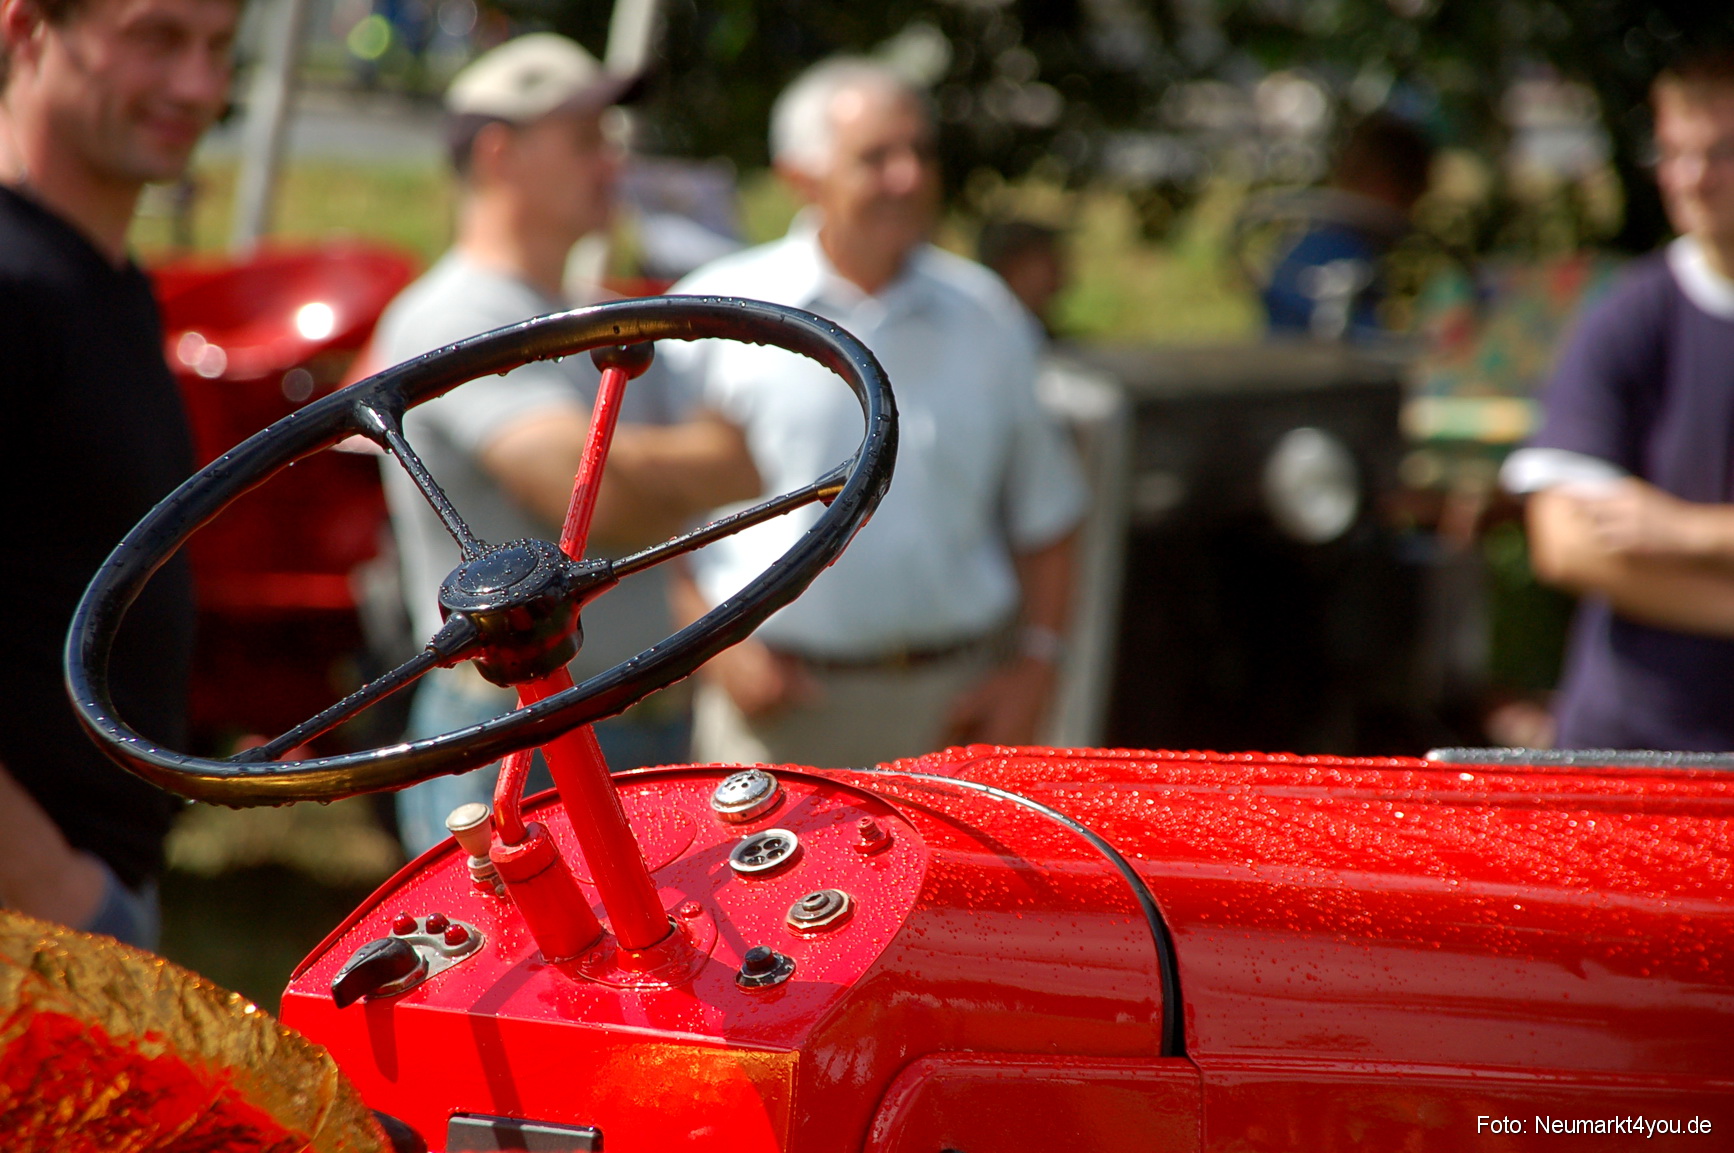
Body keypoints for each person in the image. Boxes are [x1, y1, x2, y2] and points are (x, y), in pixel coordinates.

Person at [372, 33, 760, 854]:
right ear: (499, 153)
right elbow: (601, 497)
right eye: (586, 139)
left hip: (625, 713)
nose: (612, 162)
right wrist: (731, 459)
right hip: (519, 740)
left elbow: (655, 493)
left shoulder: (580, 308)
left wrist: (690, 470)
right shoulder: (454, 320)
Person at [664, 58, 1089, 768]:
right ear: (801, 175)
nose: (910, 176)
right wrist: (712, 644)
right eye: (876, 156)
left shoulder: (987, 313)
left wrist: (1038, 666)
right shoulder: (716, 314)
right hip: (783, 717)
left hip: (958, 710)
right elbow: (658, 511)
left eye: (920, 151)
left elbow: (1048, 510)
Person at [0, 0, 237, 945]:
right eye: (156, 38)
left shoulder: (103, 279)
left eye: (220, 50)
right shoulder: (10, 285)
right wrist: (55, 890)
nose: (198, 86)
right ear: (26, 30)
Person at [1502, 48, 1734, 752]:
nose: (1693, 179)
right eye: (1673, 152)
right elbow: (1564, 541)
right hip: (1634, 748)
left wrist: (1683, 530)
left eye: (1722, 152)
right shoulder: (1630, 315)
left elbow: (1636, 537)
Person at [1256, 112, 1434, 341]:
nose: (1409, 213)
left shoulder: (1319, 243)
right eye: (1408, 197)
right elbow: (1358, 349)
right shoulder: (1340, 257)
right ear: (1385, 184)